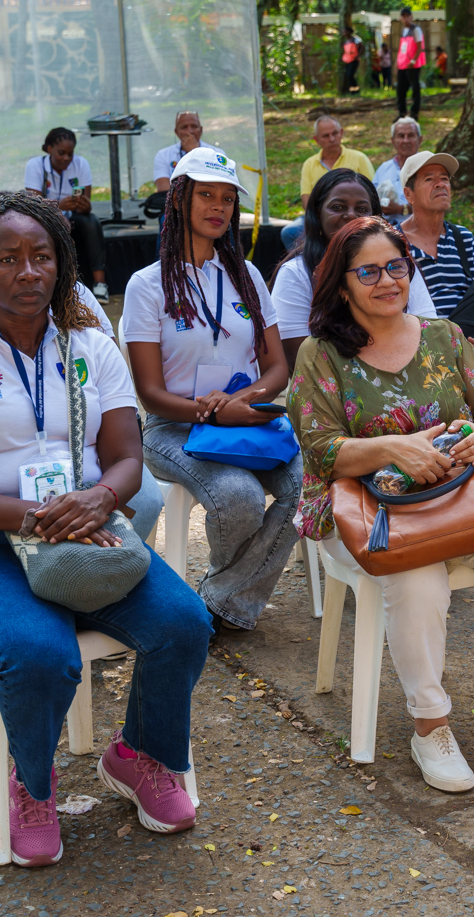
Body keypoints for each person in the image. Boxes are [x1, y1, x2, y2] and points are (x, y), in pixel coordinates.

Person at [0, 190, 210, 868]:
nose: (28, 270)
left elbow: (129, 459)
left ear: (60, 264)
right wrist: (36, 517)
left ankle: (140, 756)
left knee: (184, 623)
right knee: (40, 653)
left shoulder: (93, 349)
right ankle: (32, 786)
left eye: (41, 256)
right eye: (8, 258)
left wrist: (100, 497)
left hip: (87, 530)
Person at [290, 215, 474, 792]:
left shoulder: (445, 337)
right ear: (341, 283)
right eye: (369, 271)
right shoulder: (321, 354)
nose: (387, 280)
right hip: (368, 513)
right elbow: (318, 451)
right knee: (418, 580)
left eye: (397, 266)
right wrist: (393, 448)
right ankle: (430, 725)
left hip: (461, 500)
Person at [122, 149, 300, 632]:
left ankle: (218, 600)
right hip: (173, 426)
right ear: (179, 199)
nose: (219, 206)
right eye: (206, 194)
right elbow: (150, 394)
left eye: (227, 198)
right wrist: (213, 415)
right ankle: (229, 604)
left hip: (249, 417)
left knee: (311, 485)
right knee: (238, 495)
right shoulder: (147, 286)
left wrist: (243, 401)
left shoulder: (247, 276)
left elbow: (277, 367)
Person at [272, 168, 437, 373]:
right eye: (338, 207)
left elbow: (429, 334)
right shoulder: (295, 274)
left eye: (361, 209)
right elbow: (299, 362)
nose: (350, 215)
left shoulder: (400, 267)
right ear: (317, 213)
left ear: (375, 218)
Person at [398, 151, 474, 372]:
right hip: (426, 351)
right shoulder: (395, 243)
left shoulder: (462, 237)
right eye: (429, 179)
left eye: (444, 178)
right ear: (409, 194)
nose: (440, 184)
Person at [24, 127, 109, 303]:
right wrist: (58, 206)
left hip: (73, 217)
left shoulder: (81, 164)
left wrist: (84, 205)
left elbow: (86, 205)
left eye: (70, 154)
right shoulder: (35, 166)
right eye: (61, 153)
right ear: (49, 149)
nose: (67, 158)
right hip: (45, 219)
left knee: (92, 222)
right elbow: (32, 207)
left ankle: (100, 285)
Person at [152, 111, 223, 192]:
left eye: (194, 126)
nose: (190, 131)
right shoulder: (163, 155)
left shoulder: (217, 154)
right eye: (184, 127)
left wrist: (194, 152)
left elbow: (217, 186)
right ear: (176, 132)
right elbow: (163, 188)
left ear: (201, 130)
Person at [371, 117, 422, 221]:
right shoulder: (384, 168)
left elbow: (434, 203)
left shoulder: (427, 167)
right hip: (386, 231)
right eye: (401, 136)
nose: (406, 140)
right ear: (393, 141)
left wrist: (401, 209)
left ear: (419, 140)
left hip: (419, 230)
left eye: (411, 135)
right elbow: (371, 199)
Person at [394, 7, 426, 120]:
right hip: (403, 64)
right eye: (404, 16)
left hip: (413, 65)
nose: (406, 18)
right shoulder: (403, 31)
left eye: (408, 16)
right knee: (401, 90)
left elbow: (419, 47)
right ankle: (402, 112)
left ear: (411, 17)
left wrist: (413, 61)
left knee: (415, 89)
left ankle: (414, 113)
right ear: (401, 18)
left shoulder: (416, 30)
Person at [340, 26, 362, 95]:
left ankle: (356, 90)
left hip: (354, 60)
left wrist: (358, 55)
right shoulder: (346, 41)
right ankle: (353, 91)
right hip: (347, 60)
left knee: (350, 75)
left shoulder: (355, 39)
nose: (344, 33)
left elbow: (362, 47)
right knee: (348, 76)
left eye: (345, 32)